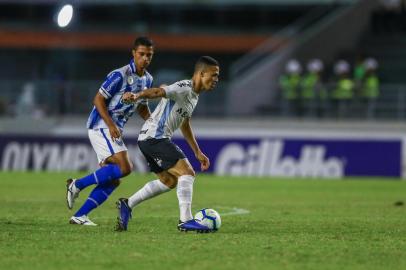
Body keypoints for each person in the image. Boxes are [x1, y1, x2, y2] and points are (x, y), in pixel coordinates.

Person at [115, 56, 220, 232]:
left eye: (218, 76)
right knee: (187, 173)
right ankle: (185, 221)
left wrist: (197, 152)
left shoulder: (194, 96)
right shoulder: (184, 87)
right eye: (214, 75)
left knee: (168, 181)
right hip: (155, 138)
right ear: (201, 74)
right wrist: (136, 95)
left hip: (149, 139)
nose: (216, 79)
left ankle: (128, 203)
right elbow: (158, 92)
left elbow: (184, 123)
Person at [65, 37, 154, 226]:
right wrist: (111, 125)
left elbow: (142, 107)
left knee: (114, 178)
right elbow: (98, 100)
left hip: (113, 129)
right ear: (133, 53)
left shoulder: (147, 79)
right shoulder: (120, 75)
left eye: (149, 55)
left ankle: (80, 215)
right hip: (101, 125)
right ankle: (77, 185)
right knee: (125, 167)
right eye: (141, 54)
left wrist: (154, 123)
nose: (145, 58)